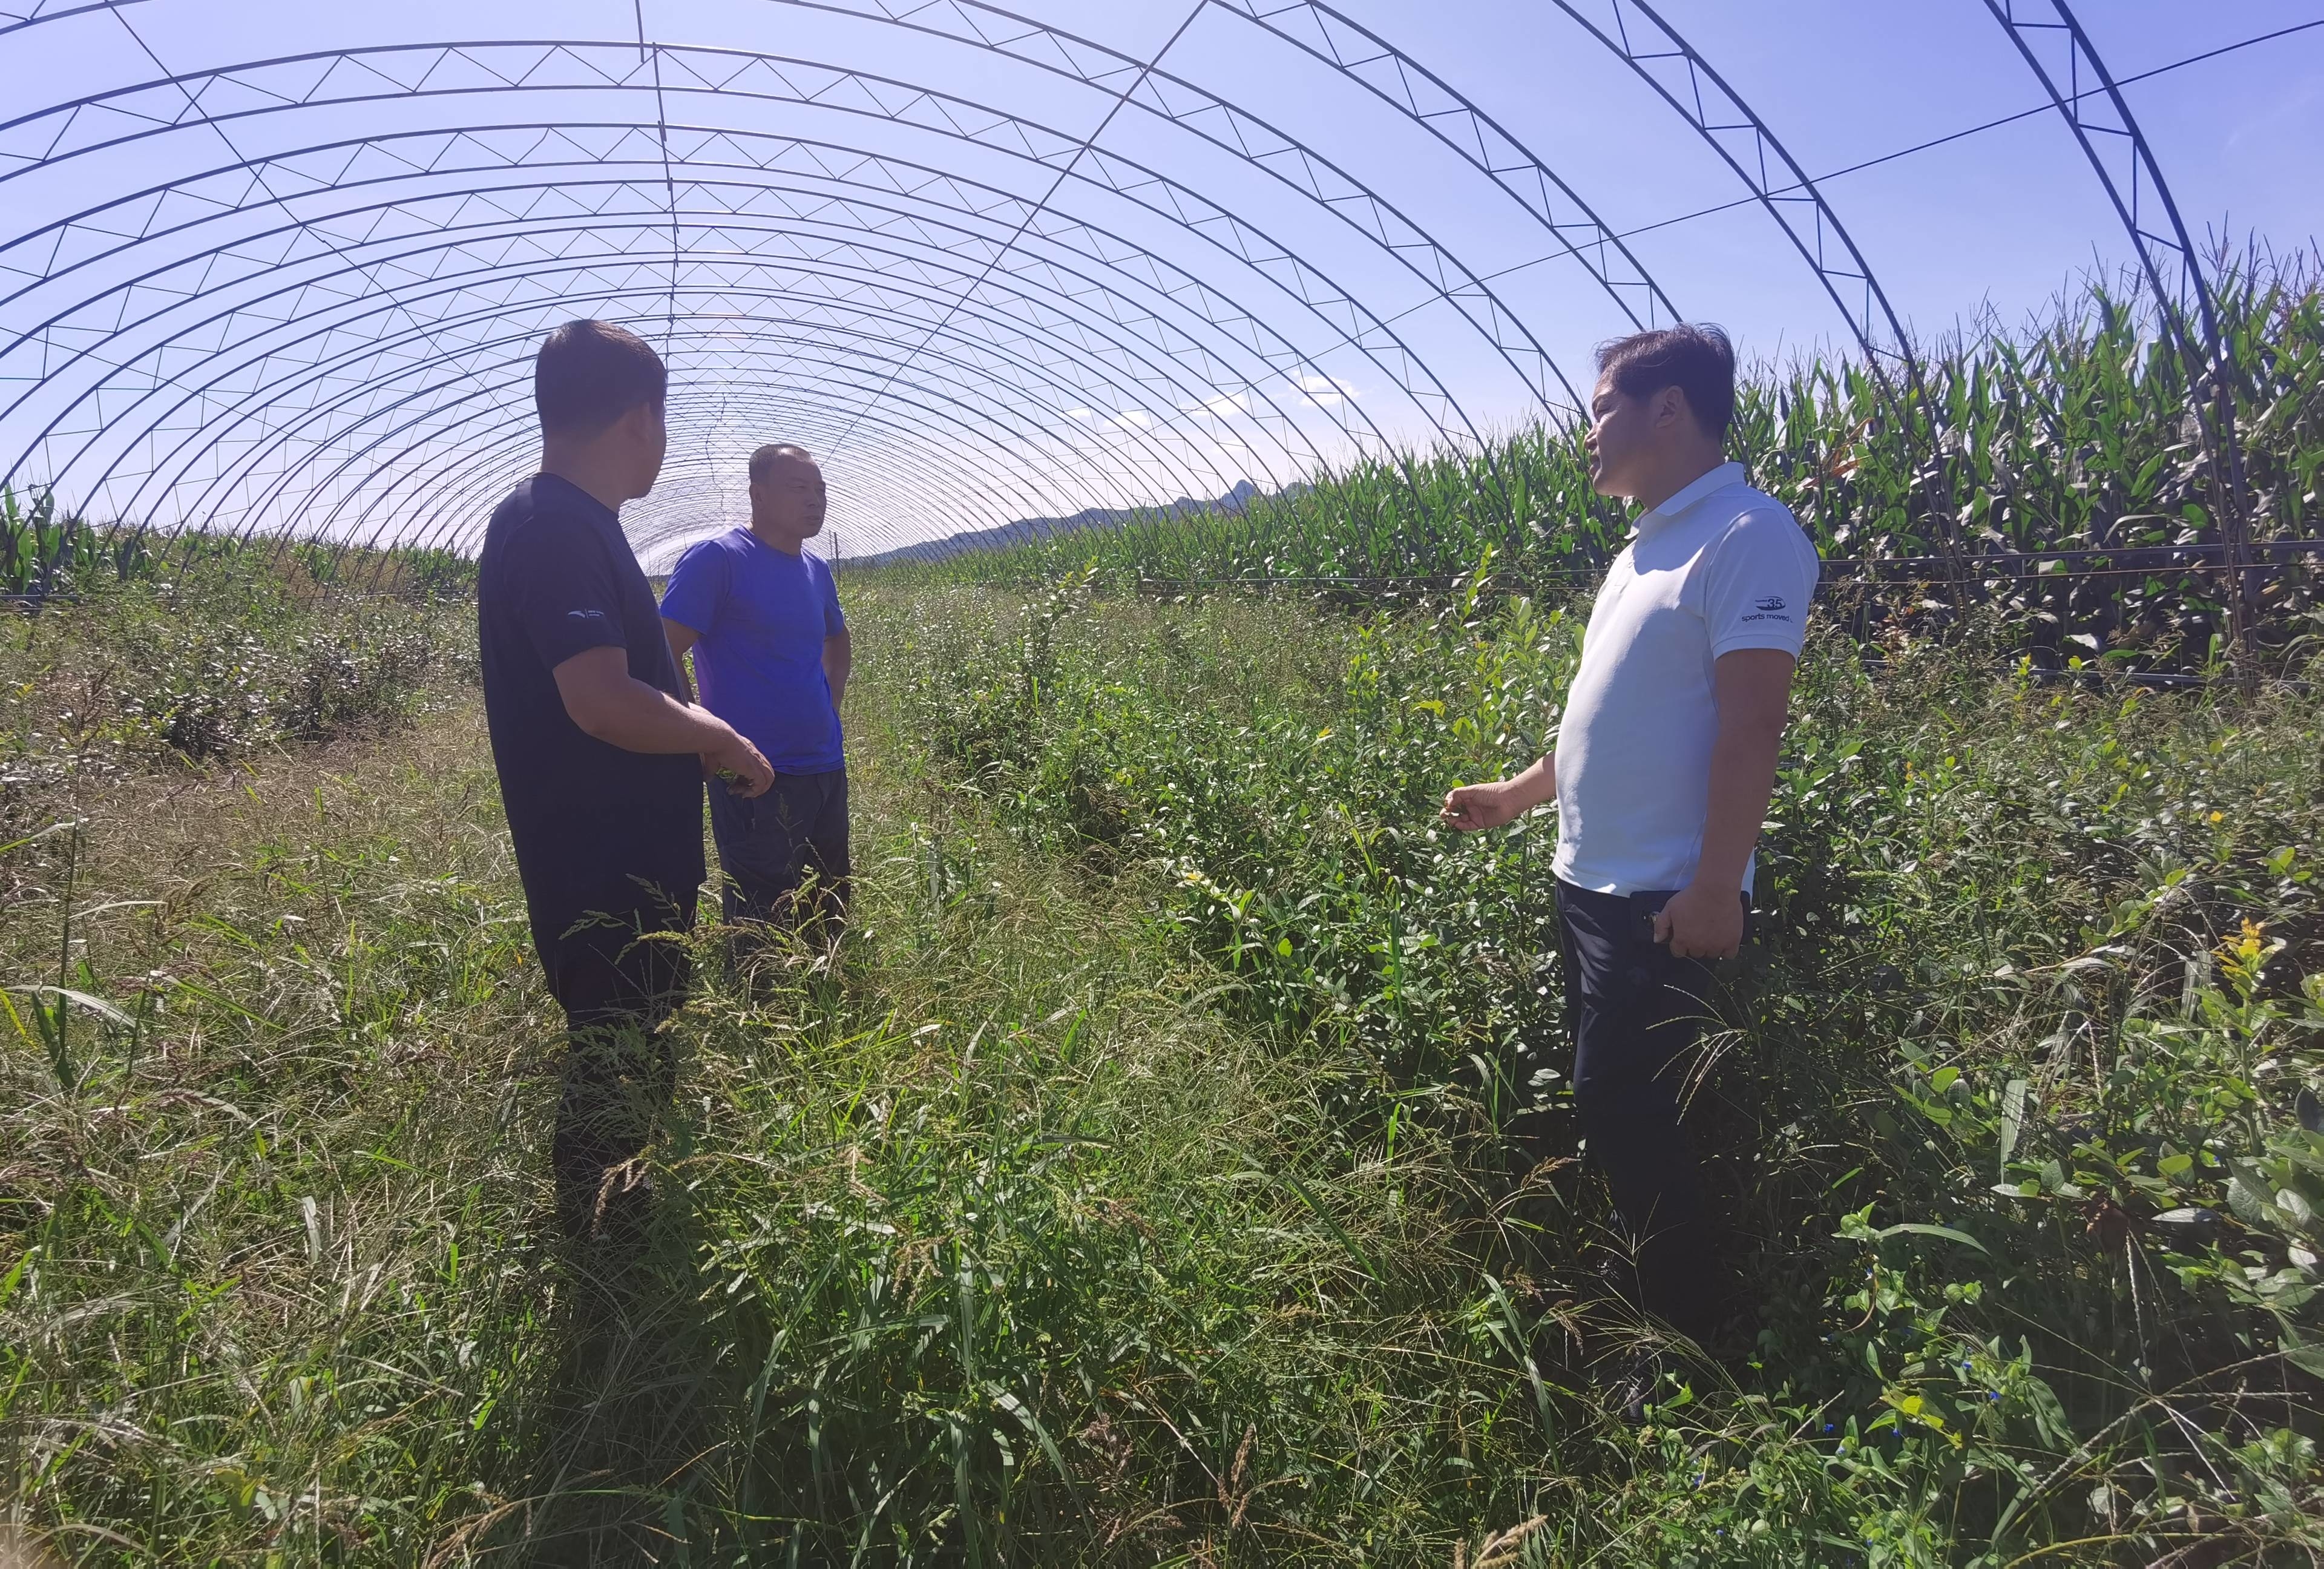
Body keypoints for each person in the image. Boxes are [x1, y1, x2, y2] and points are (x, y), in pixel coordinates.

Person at [1439, 324, 1819, 1389]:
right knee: (1619, 1102)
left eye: (1603, 406)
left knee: (1626, 1102)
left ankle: (1679, 1338)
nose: (1588, 431)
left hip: (1662, 895)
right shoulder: (1641, 548)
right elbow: (1606, 717)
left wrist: (1714, 885)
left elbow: (1752, 728)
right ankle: (1646, 1270)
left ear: (1668, 409)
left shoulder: (1747, 534)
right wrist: (1519, 795)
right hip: (1588, 879)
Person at [477, 320, 774, 1245]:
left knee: (634, 1055)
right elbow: (602, 700)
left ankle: (622, 1232)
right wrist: (721, 736)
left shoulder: (574, 523)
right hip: (598, 870)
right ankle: (604, 1269)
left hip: (623, 865)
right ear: (642, 417)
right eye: (665, 419)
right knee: (612, 1060)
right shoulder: (552, 526)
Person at [660, 444, 853, 950]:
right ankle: (758, 1013)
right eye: (799, 488)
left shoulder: (816, 570)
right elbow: (663, 652)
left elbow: (838, 639)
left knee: (828, 902)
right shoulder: (719, 560)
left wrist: (827, 707)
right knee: (760, 918)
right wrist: (703, 737)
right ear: (758, 495)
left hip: (825, 765)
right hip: (753, 769)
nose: (815, 500)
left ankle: (827, 1003)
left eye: (821, 490)